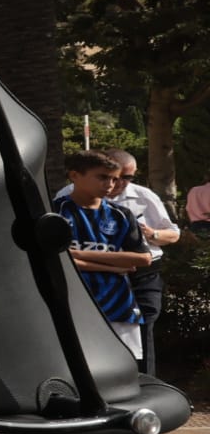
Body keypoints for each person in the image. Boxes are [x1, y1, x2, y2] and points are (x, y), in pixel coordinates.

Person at [55, 150, 152, 365]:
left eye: (114, 179)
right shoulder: (55, 213)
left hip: (118, 305)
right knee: (75, 366)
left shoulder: (121, 215)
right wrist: (112, 266)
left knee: (124, 369)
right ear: (74, 176)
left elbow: (143, 258)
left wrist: (77, 254)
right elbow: (55, 260)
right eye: (102, 177)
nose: (110, 184)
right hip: (71, 304)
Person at [97, 150, 179, 373]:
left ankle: (146, 384)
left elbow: (173, 234)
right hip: (98, 275)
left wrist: (152, 234)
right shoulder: (74, 196)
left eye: (128, 177)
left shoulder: (144, 197)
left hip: (143, 274)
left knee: (143, 326)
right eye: (115, 176)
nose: (121, 182)